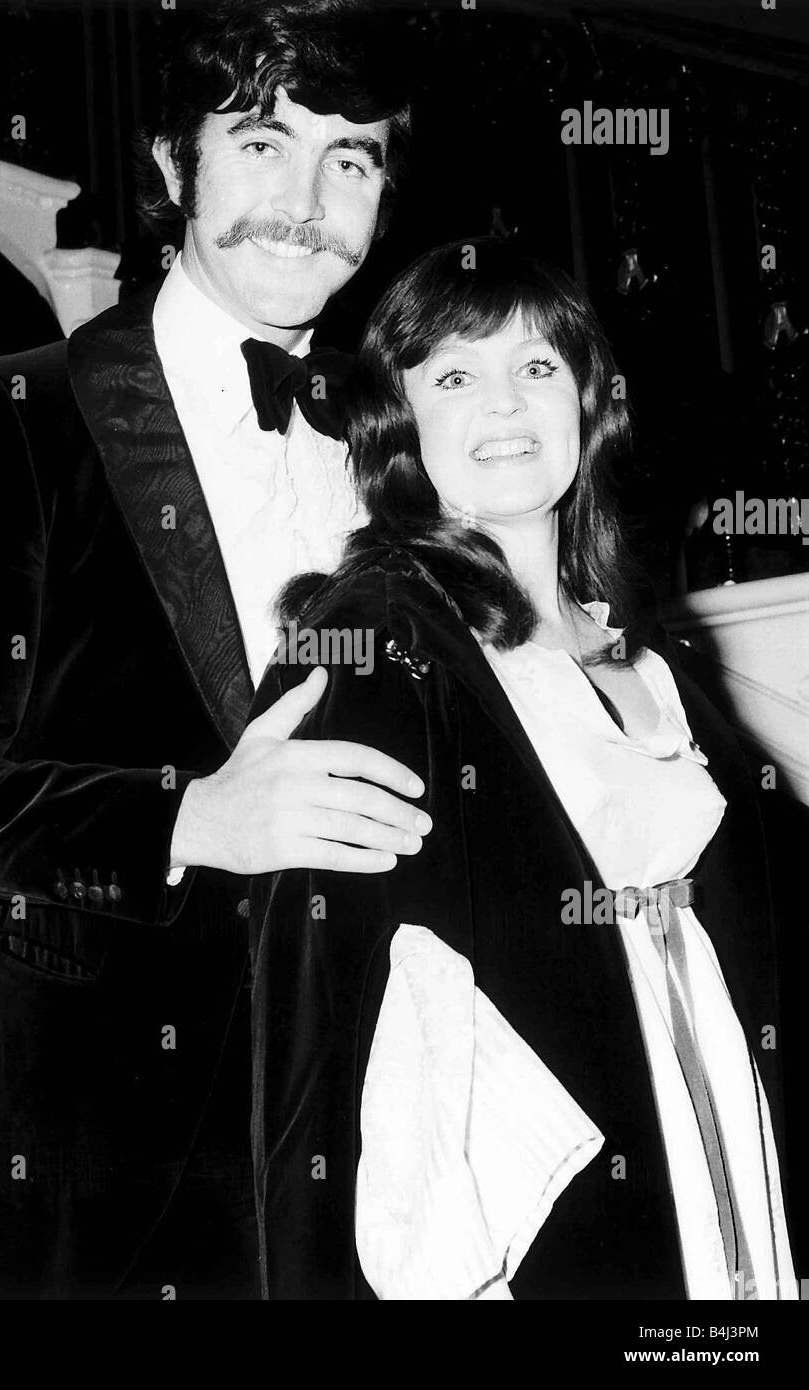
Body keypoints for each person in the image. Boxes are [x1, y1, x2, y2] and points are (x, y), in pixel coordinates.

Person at [0, 0, 427, 1299]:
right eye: (262, 144)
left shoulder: (410, 447)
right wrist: (188, 818)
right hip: (103, 1172)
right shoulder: (18, 410)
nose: (305, 199)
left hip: (381, 1137)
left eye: (350, 159)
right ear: (174, 166)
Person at [248, 237, 799, 1300]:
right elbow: (329, 1014)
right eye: (455, 375)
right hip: (548, 1196)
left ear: (588, 401)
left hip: (720, 1126)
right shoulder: (376, 645)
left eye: (538, 367)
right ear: (400, 422)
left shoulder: (640, 648)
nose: (504, 404)